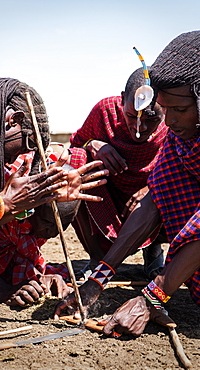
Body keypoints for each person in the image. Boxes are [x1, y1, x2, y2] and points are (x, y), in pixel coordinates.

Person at [54, 30, 200, 336]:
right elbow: (156, 198)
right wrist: (98, 278)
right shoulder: (180, 140)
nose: (170, 122)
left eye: (180, 110)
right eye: (167, 109)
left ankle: (159, 262)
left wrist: (152, 297)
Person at [0, 59, 108, 309]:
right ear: (13, 120)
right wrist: (3, 202)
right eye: (26, 145)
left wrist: (14, 206)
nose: (15, 159)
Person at [68, 67, 168, 280]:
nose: (139, 127)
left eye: (152, 119)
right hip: (108, 194)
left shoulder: (174, 123)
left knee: (177, 187)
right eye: (131, 116)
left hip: (152, 200)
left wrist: (152, 188)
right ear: (122, 100)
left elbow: (180, 165)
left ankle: (153, 250)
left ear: (166, 108)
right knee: (74, 161)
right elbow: (77, 143)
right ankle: (97, 258)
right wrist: (93, 144)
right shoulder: (105, 110)